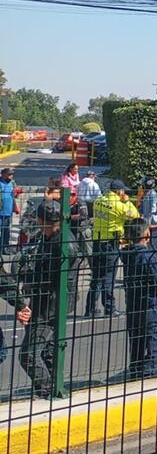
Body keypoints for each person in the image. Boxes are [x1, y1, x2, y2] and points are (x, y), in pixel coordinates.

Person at [18, 198, 72, 398]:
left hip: (51, 306)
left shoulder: (63, 243)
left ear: (42, 220)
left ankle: (49, 389)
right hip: (43, 302)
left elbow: (55, 278)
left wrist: (32, 278)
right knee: (48, 352)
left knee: (29, 354)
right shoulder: (47, 238)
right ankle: (51, 390)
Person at [87, 180, 139, 317]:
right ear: (120, 191)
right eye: (123, 191)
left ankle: (90, 308)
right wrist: (127, 202)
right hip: (111, 244)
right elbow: (135, 216)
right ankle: (110, 308)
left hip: (97, 242)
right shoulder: (119, 205)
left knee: (96, 277)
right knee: (109, 277)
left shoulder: (99, 201)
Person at [124, 217, 157, 379]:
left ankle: (135, 373)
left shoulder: (128, 254)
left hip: (132, 302)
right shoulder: (147, 255)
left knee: (136, 342)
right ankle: (148, 375)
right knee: (155, 342)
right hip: (149, 303)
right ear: (146, 234)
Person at [0, 168, 17, 253]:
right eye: (9, 174)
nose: (11, 176)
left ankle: (5, 248)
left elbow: (14, 195)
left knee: (6, 231)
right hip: (0, 212)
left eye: (11, 174)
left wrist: (15, 207)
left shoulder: (12, 183)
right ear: (3, 174)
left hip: (8, 211)